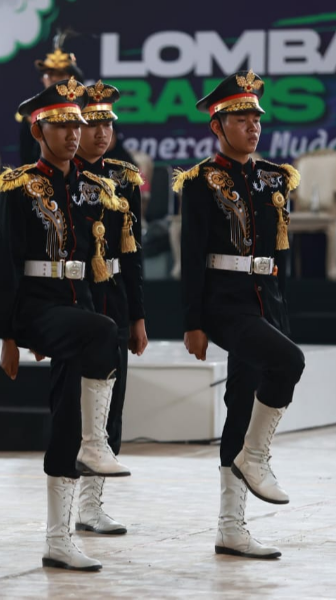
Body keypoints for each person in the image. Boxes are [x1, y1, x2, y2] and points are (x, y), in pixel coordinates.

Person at [0, 77, 129, 572]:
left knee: (66, 419)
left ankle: (59, 537)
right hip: (37, 308)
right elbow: (5, 262)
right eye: (62, 125)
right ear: (38, 129)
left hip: (79, 308)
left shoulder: (96, 189)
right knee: (100, 332)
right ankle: (98, 444)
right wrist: (7, 335)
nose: (74, 134)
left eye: (78, 124)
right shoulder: (19, 184)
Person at [176, 70, 305, 559]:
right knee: (288, 364)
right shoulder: (200, 180)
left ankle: (231, 527)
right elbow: (191, 256)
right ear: (218, 124)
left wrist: (280, 309)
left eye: (255, 116)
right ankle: (255, 456)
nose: (252, 125)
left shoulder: (276, 177)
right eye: (240, 117)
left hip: (266, 299)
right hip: (224, 302)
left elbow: (280, 253)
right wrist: (192, 321)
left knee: (241, 401)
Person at [49, 81, 148, 535]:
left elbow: (134, 253)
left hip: (114, 294)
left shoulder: (125, 178)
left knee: (113, 403)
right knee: (70, 401)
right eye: (93, 122)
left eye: (109, 122)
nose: (102, 131)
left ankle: (92, 505)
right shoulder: (58, 178)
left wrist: (138, 316)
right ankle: (63, 508)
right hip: (73, 295)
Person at [19, 30, 85, 165]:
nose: (54, 79)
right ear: (42, 79)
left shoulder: (90, 110)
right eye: (49, 74)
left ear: (74, 78)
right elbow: (26, 157)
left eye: (60, 74)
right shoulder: (32, 115)